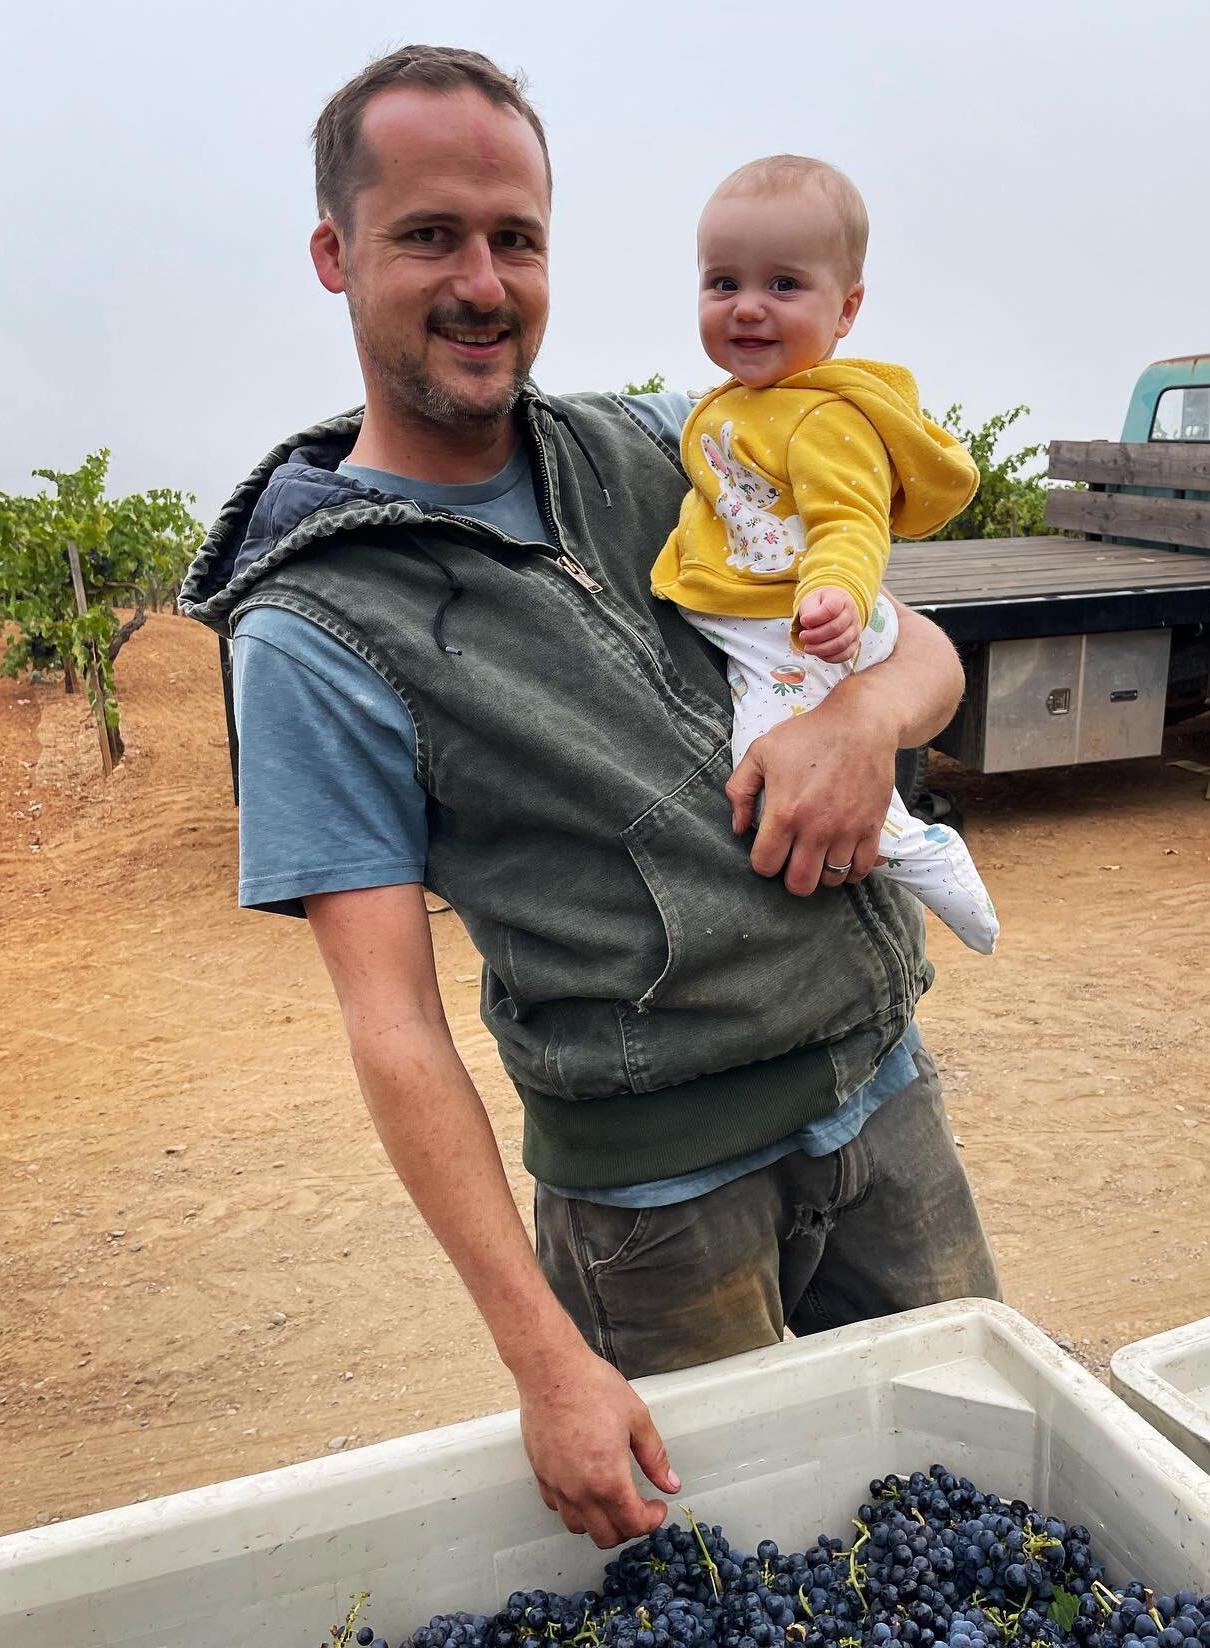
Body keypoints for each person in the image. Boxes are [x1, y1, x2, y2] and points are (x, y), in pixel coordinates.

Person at [179, 45, 1000, 1552]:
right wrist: (544, 1358)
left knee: (980, 1522)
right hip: (659, 1204)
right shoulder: (311, 633)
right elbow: (393, 1027)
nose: (483, 281)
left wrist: (863, 723)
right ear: (333, 254)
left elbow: (924, 649)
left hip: (884, 1103)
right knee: (748, 1598)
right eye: (429, 234)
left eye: (518, 238)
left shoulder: (655, 450)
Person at [652, 156, 998, 956]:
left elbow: (850, 523)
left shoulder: (823, 419)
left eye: (782, 286)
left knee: (768, 759)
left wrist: (837, 593)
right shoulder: (736, 406)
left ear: (846, 310)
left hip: (796, 628)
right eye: (722, 283)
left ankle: (920, 853)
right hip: (767, 621)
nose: (747, 308)